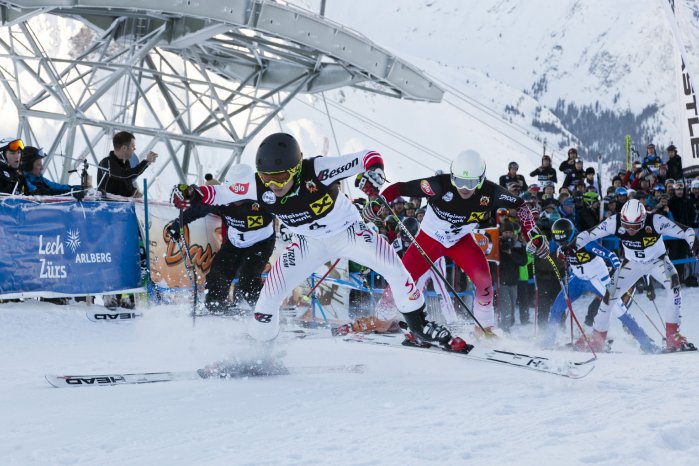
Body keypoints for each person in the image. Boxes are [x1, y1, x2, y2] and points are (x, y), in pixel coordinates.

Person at [177, 132, 470, 352]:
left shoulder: (317, 170)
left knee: (396, 270)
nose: (274, 186)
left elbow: (367, 156)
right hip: (308, 243)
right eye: (267, 177)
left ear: (294, 169)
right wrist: (192, 195)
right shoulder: (257, 184)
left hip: (349, 233)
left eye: (280, 177)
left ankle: (419, 326)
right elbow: (217, 194)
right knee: (267, 300)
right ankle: (261, 346)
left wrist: (374, 173)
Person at [376, 150, 549, 336]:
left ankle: (484, 329)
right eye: (459, 181)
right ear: (452, 176)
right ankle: (381, 320)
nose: (464, 188)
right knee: (400, 279)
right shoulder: (437, 185)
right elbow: (400, 188)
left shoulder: (491, 193)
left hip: (461, 242)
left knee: (484, 283)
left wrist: (533, 235)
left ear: (482, 179)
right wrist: (378, 203)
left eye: (472, 182)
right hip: (428, 240)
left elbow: (521, 206)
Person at [574, 199, 698, 351]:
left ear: (643, 219)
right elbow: (588, 235)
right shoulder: (614, 222)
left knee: (674, 287)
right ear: (622, 219)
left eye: (636, 226)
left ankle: (673, 337)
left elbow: (687, 231)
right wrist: (571, 246)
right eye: (627, 226)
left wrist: (695, 246)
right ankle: (597, 340)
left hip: (657, 261)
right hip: (632, 263)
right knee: (608, 297)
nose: (631, 230)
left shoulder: (656, 221)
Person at [167, 165, 275, 314]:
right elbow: (196, 210)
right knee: (219, 272)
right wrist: (177, 225)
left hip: (261, 243)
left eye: (241, 192)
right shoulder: (222, 198)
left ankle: (265, 311)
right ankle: (215, 308)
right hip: (235, 242)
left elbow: (286, 210)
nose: (236, 197)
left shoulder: (263, 197)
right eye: (232, 191)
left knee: (248, 277)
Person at [545, 219, 658, 353]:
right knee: (556, 308)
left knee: (620, 312)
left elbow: (611, 256)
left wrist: (618, 269)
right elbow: (545, 249)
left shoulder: (585, 242)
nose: (563, 245)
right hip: (578, 280)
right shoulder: (558, 241)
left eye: (565, 242)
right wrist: (534, 245)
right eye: (559, 242)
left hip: (598, 280)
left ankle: (647, 344)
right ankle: (547, 342)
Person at [97, 131, 158, 197]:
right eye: (133, 146)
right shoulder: (106, 162)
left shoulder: (126, 163)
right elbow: (124, 175)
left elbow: (126, 183)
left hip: (122, 205)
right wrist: (146, 162)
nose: (135, 149)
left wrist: (134, 192)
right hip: (107, 205)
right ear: (124, 148)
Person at [497, 222, 528, 332]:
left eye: (510, 232)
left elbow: (523, 261)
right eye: (506, 232)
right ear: (502, 232)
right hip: (502, 280)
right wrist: (501, 249)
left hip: (514, 280)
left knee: (512, 304)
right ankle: (505, 328)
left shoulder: (518, 244)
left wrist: (511, 253)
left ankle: (509, 324)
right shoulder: (497, 243)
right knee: (506, 305)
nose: (508, 234)